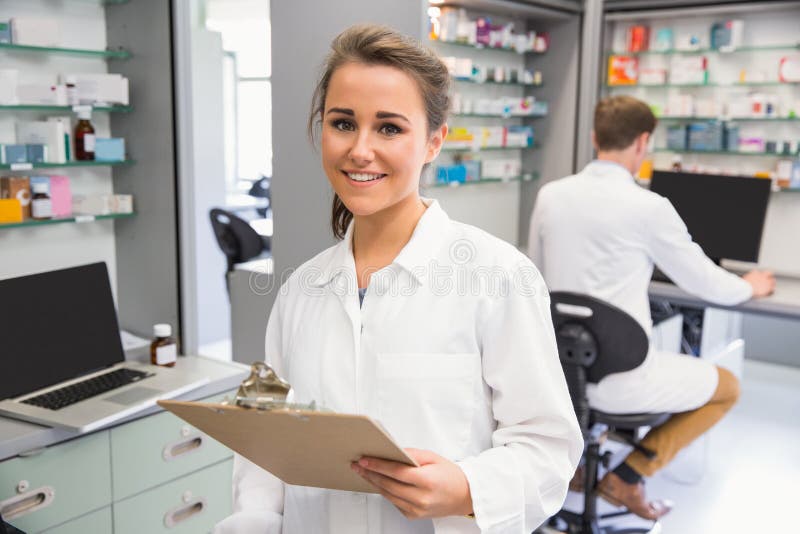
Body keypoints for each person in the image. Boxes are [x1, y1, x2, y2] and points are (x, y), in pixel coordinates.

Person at [215, 24, 582, 534]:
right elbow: (265, 432)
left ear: (434, 140)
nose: (360, 150)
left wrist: (467, 488)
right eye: (343, 123)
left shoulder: (498, 277)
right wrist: (253, 519)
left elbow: (548, 448)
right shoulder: (302, 289)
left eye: (389, 128)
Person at [528, 95, 776, 520]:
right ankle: (630, 474)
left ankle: (578, 466)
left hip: (561, 374)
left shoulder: (551, 195)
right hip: (622, 378)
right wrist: (749, 286)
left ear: (594, 137)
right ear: (643, 143)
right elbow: (705, 281)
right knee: (727, 386)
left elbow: (536, 277)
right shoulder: (649, 207)